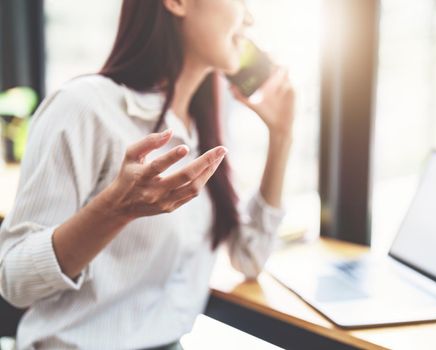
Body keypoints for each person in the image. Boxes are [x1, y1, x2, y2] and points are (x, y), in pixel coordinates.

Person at [0, 0, 295, 348]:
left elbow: (250, 258)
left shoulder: (204, 131)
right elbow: (15, 281)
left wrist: (282, 135)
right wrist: (113, 211)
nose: (249, 16)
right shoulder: (83, 107)